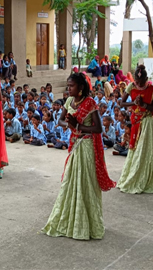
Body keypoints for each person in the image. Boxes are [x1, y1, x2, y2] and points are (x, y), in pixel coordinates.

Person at [42, 72, 115, 240]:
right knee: (71, 181)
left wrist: (78, 125)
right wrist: (69, 122)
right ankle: (72, 219)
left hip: (87, 146)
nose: (68, 89)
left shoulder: (90, 103)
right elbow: (60, 120)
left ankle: (88, 223)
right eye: (68, 86)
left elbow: (98, 129)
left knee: (86, 183)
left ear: (80, 87)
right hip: (75, 145)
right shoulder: (68, 101)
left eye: (71, 86)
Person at [117, 64, 153, 194]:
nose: (138, 84)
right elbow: (122, 103)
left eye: (141, 82)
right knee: (134, 148)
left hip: (147, 121)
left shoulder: (151, 89)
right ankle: (132, 175)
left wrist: (144, 104)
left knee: (144, 149)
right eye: (137, 81)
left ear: (146, 79)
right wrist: (134, 103)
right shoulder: (131, 87)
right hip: (135, 120)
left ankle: (145, 177)